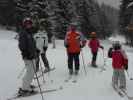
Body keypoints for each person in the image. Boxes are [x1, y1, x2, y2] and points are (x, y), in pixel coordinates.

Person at [18, 17, 38, 95]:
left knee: (32, 71)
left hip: (32, 55)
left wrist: (36, 50)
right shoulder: (23, 33)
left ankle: (27, 84)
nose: (28, 25)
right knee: (30, 72)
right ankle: (24, 89)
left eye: (30, 24)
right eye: (27, 24)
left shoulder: (29, 32)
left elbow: (31, 44)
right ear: (24, 24)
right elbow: (21, 45)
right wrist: (26, 53)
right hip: (27, 56)